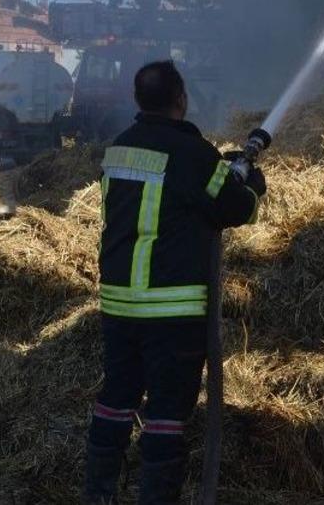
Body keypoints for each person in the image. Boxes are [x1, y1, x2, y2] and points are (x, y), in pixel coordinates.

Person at [84, 61, 265, 505]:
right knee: (167, 413)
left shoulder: (119, 150)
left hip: (119, 305)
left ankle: (98, 494)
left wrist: (217, 171)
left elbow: (167, 198)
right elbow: (235, 208)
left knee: (116, 399)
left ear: (138, 99)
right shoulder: (192, 154)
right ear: (181, 99)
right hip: (171, 310)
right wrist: (252, 182)